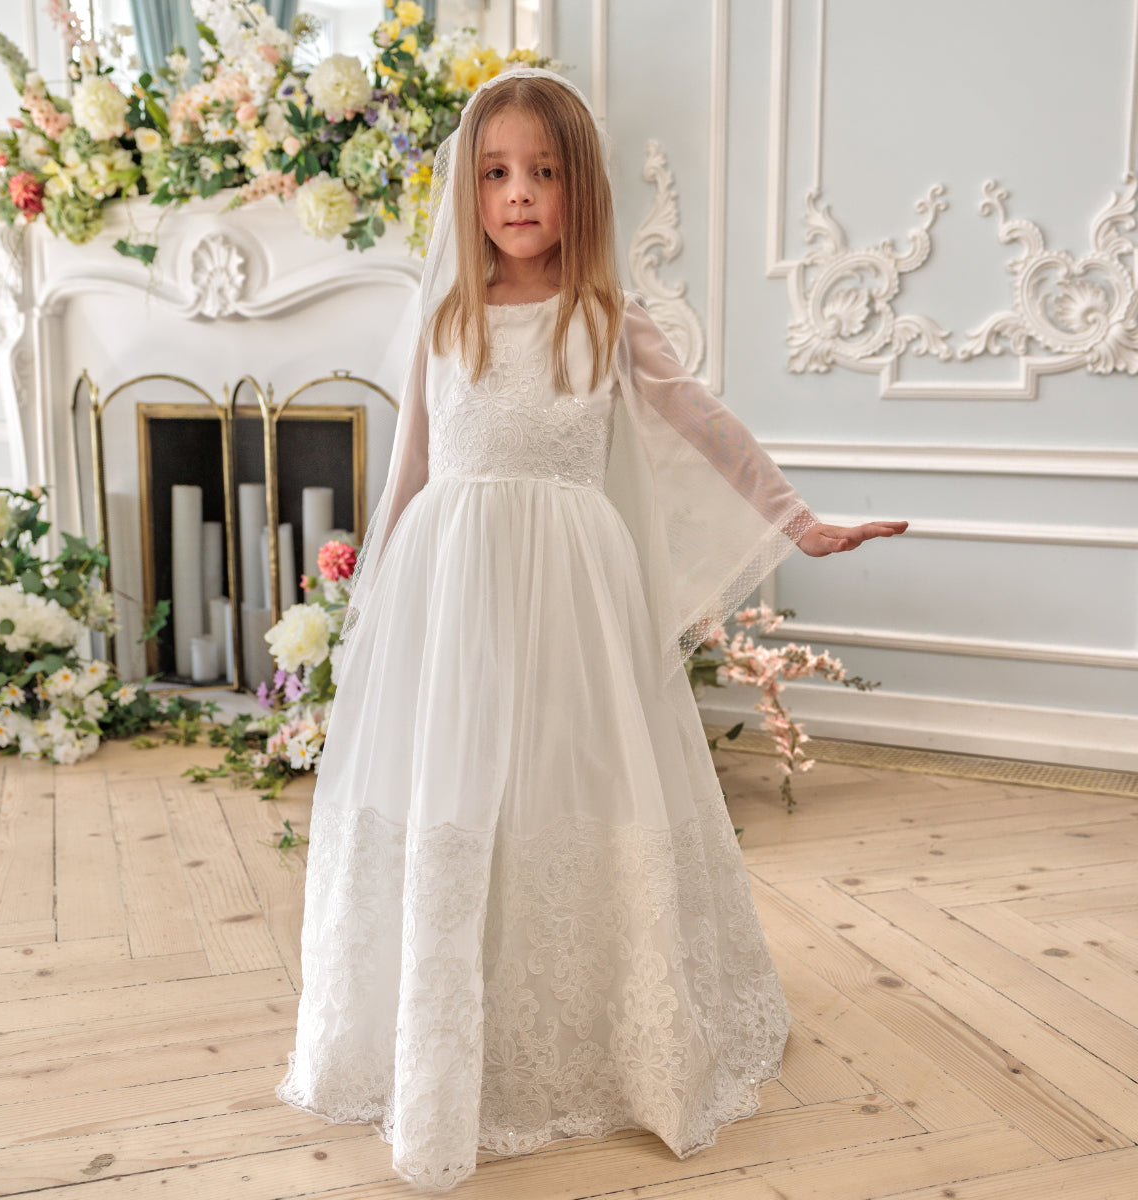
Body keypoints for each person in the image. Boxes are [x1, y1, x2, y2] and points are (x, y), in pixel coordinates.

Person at [275, 66, 906, 1192]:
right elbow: (412, 468)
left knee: (573, 779)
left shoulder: (604, 317)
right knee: (457, 791)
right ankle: (444, 1040)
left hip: (569, 589)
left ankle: (599, 1022)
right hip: (451, 585)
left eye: (545, 173)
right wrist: (372, 609)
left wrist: (798, 519)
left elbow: (701, 423)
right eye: (496, 173)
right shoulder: (446, 317)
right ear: (468, 190)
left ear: (582, 191)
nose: (519, 194)